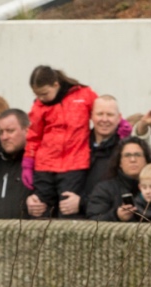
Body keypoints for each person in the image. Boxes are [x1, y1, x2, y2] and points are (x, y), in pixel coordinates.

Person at [24, 65, 97, 219]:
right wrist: (28, 161)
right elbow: (34, 136)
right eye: (37, 95)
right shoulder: (39, 105)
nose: (41, 98)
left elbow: (101, 111)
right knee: (40, 211)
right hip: (45, 166)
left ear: (56, 85)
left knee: (68, 211)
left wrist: (121, 125)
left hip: (74, 165)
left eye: (44, 94)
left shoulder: (84, 95)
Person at [86, 137, 151, 222]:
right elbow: (92, 222)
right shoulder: (104, 189)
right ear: (120, 162)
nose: (133, 160)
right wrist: (116, 216)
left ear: (146, 160)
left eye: (137, 155)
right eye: (127, 155)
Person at [0, 109, 36, 220]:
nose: (4, 137)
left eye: (10, 131)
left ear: (27, 130)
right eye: (0, 132)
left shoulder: (39, 162)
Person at [84, 94, 127, 199]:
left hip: (106, 212)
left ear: (119, 118)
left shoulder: (124, 149)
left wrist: (81, 202)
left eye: (110, 115)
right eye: (100, 114)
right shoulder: (78, 144)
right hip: (72, 213)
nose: (104, 119)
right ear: (91, 116)